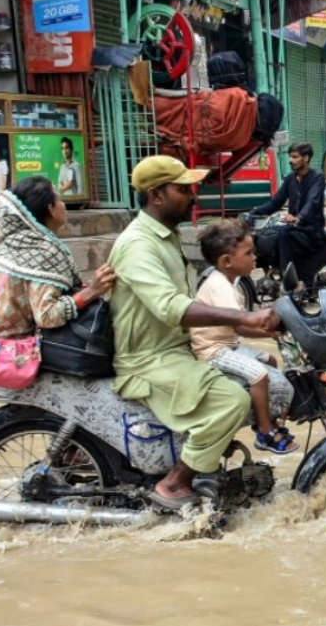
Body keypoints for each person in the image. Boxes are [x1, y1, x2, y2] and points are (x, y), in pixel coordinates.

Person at [108, 155, 278, 510]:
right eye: (183, 189)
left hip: (176, 350)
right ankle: (175, 483)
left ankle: (211, 465)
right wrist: (244, 319)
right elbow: (171, 307)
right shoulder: (139, 244)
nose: (193, 195)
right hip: (150, 359)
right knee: (232, 400)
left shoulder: (167, 237)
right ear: (156, 195)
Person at [191, 220, 298, 455]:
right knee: (259, 374)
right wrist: (269, 323)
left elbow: (239, 328)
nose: (255, 258)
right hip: (213, 351)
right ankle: (265, 429)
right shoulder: (220, 288)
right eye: (249, 253)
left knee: (269, 360)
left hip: (229, 344)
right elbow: (243, 322)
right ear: (227, 261)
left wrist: (273, 333)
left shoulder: (229, 283)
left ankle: (268, 418)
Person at [0, 176, 115, 346]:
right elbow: (47, 316)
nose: (63, 204)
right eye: (59, 198)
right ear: (51, 208)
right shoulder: (43, 252)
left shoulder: (9, 246)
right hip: (10, 356)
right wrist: (91, 291)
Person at [250, 142, 326, 283]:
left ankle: (290, 282)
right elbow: (275, 203)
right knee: (262, 235)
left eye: (295, 157)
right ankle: (269, 274)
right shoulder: (290, 179)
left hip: (310, 230)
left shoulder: (317, 177)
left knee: (284, 234)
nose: (290, 160)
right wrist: (252, 214)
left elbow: (312, 202)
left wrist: (299, 217)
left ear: (306, 158)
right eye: (290, 157)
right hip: (295, 228)